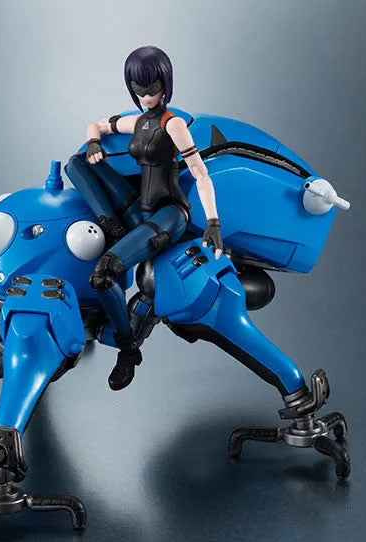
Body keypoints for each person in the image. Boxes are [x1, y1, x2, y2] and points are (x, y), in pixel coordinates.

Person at [66, 46, 223, 391]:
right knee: (76, 163)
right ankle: (111, 224)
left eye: (152, 88)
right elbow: (96, 125)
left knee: (103, 274)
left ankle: (128, 350)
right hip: (139, 209)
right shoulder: (137, 121)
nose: (146, 96)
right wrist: (93, 143)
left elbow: (201, 173)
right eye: (139, 89)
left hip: (169, 214)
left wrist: (213, 222)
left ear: (165, 85)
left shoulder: (174, 124)